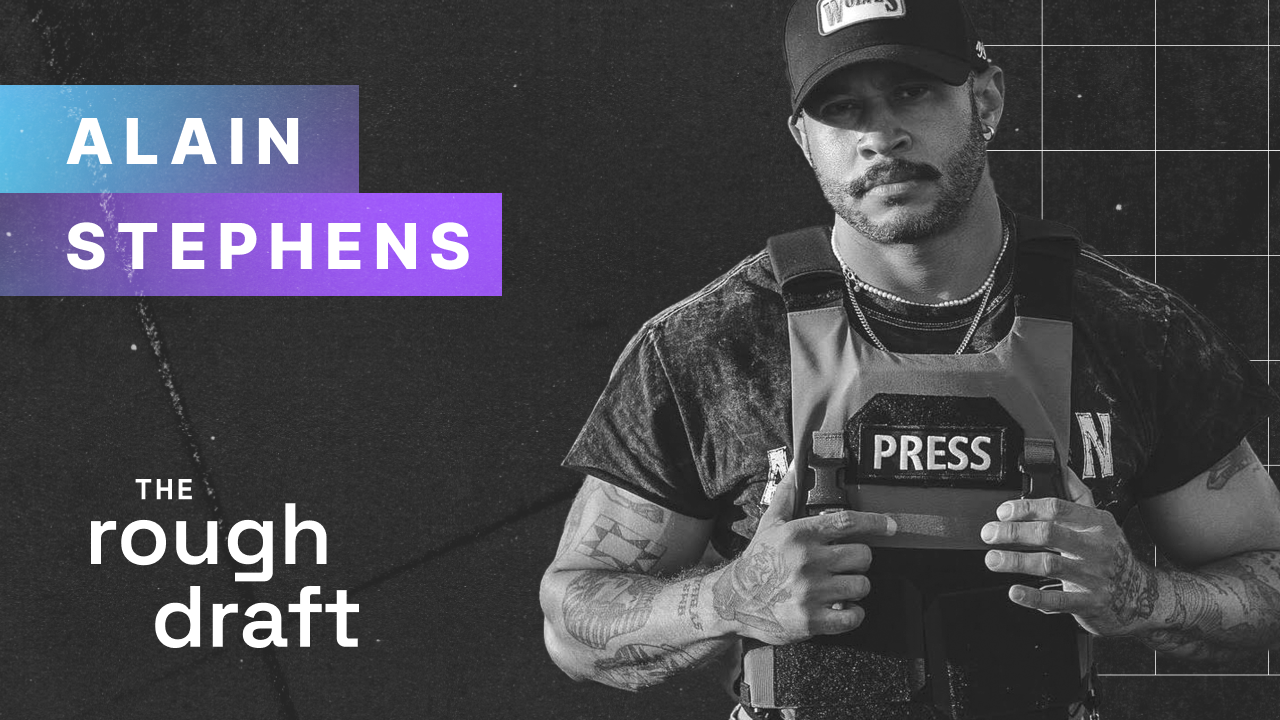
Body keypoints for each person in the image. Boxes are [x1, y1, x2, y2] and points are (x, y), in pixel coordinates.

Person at [540, 0, 1280, 717]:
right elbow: (572, 631)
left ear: (985, 101)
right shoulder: (710, 347)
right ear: (803, 137)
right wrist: (731, 598)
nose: (881, 136)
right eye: (843, 109)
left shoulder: (1136, 333)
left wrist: (1140, 596)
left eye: (911, 91)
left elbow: (1268, 579)